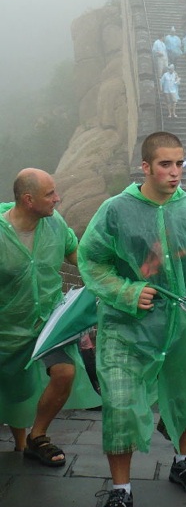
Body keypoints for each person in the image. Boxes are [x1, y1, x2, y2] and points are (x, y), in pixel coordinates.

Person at [78, 131, 186, 507]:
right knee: (120, 404)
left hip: (179, 324)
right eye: (165, 164)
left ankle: (183, 461)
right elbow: (91, 260)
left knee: (184, 396)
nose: (175, 172)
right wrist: (126, 291)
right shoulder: (116, 210)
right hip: (125, 327)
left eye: (179, 163)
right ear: (145, 166)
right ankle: (121, 491)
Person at [0, 169, 98, 465]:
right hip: (8, 327)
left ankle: (38, 436)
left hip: (49, 323)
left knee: (64, 372)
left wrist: (108, 282)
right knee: (15, 388)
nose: (58, 198)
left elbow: (76, 255)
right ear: (28, 200)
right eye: (50, 194)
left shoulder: (55, 224)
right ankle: (20, 444)